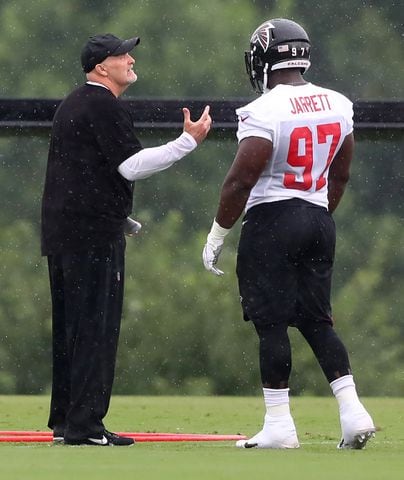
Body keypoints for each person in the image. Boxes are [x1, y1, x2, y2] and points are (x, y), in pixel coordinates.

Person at [202, 18, 375, 450]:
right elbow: (341, 174)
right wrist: (314, 214)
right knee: (318, 320)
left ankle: (279, 423)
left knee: (272, 324)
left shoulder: (264, 110)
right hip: (319, 219)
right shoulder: (338, 102)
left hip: (273, 221)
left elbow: (241, 180)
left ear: (264, 57)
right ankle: (354, 412)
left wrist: (217, 234)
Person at [41, 33, 211, 446]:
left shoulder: (73, 102)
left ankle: (67, 423)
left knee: (72, 330)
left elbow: (82, 177)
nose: (130, 59)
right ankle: (85, 427)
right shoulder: (103, 105)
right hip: (92, 237)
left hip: (64, 232)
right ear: (102, 66)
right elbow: (131, 167)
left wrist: (122, 217)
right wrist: (186, 142)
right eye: (122, 55)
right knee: (96, 328)